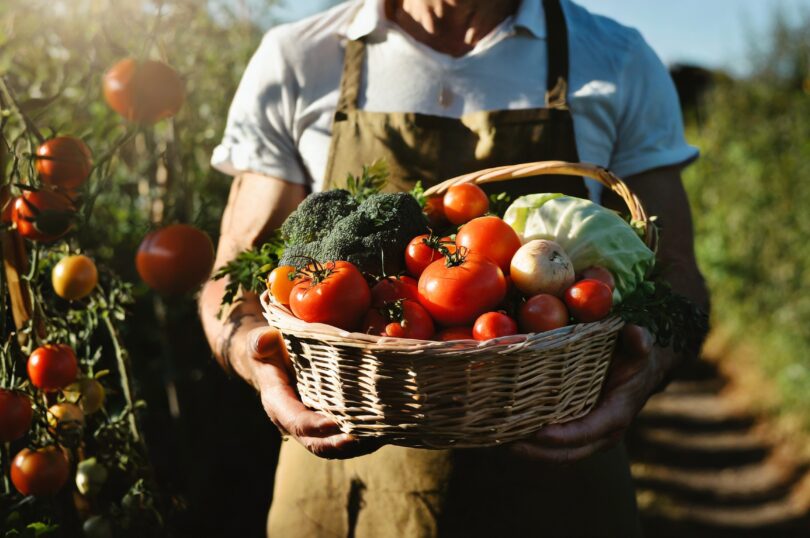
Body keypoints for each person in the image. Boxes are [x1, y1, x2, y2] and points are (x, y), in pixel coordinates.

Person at [199, 0, 710, 536]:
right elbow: (232, 273)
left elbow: (678, 274)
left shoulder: (616, 58)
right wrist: (255, 359)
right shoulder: (297, 59)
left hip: (558, 482)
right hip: (347, 488)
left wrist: (643, 375)